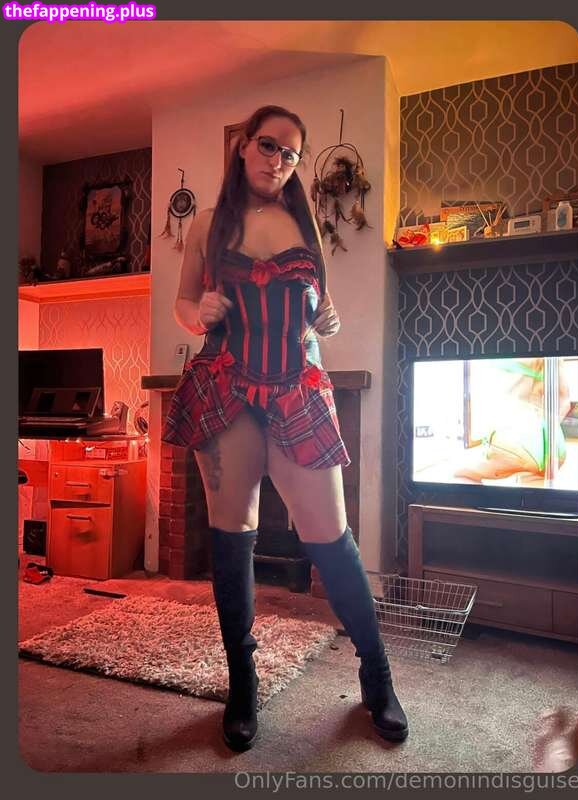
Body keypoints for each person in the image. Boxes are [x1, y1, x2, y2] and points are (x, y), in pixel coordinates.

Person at [162, 105, 408, 751]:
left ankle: (377, 677)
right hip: (224, 385)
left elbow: (318, 314)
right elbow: (184, 303)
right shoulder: (209, 224)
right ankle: (242, 685)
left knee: (330, 537)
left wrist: (328, 321)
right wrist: (196, 311)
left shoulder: (307, 226)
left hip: (296, 385)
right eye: (269, 146)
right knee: (231, 534)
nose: (279, 160)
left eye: (292, 153)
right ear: (244, 146)